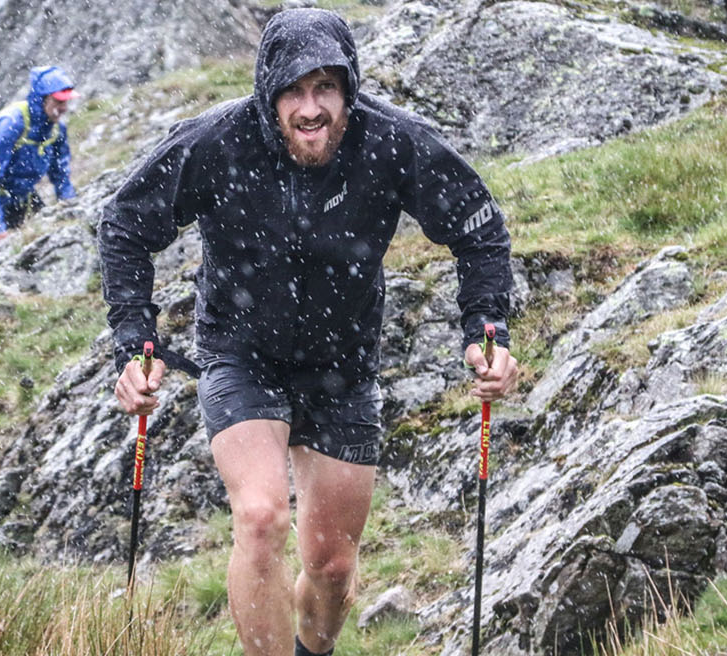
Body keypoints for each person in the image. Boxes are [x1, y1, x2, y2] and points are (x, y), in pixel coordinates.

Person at [99, 9, 520, 656]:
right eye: (293, 90)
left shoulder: (390, 142)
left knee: (331, 570)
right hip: (242, 355)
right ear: (270, 94)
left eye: (326, 87)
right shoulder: (216, 144)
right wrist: (136, 344)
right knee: (262, 517)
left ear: (349, 89)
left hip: (343, 367)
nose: (311, 107)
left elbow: (479, 228)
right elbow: (125, 225)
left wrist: (486, 329)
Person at [0, 65, 78, 260]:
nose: (64, 108)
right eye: (58, 101)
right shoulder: (12, 123)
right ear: (42, 99)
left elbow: (60, 172)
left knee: (32, 248)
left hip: (21, 196)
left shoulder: (56, 129)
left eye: (66, 102)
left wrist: (69, 203)